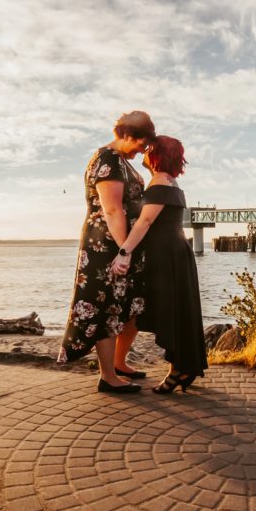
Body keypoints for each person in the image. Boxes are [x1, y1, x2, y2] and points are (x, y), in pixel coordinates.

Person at [59, 110, 155, 393]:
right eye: (141, 143)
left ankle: (119, 363)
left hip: (124, 245)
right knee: (108, 307)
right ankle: (107, 376)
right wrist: (124, 250)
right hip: (106, 246)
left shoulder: (123, 161)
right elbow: (112, 209)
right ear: (127, 135)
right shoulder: (107, 160)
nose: (143, 149)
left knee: (129, 307)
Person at [111, 135, 208, 393]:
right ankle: (185, 367)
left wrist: (124, 251)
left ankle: (178, 371)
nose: (144, 150)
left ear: (158, 155)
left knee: (170, 312)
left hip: (166, 256)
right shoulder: (172, 182)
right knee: (179, 310)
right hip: (177, 252)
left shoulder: (160, 181)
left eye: (149, 148)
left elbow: (145, 222)